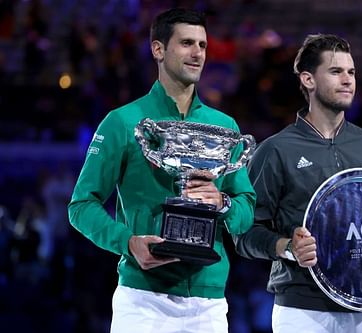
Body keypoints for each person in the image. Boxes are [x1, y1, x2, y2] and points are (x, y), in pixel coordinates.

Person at [233, 34, 362, 333]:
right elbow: (244, 234)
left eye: (351, 72)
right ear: (308, 80)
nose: (348, 80)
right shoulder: (276, 150)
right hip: (303, 311)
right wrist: (288, 247)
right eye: (336, 71)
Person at [68, 8, 256, 333]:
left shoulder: (224, 128)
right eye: (186, 43)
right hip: (142, 298)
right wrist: (128, 242)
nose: (197, 53)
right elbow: (81, 205)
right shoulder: (123, 122)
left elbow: (246, 211)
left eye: (202, 45)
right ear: (158, 49)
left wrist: (221, 203)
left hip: (208, 301)